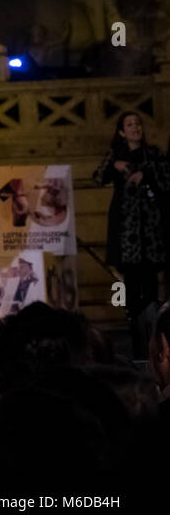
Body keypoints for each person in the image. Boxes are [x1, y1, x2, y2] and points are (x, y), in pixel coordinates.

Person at [94, 112, 168, 357]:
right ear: (122, 132)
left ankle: (153, 340)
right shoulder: (116, 156)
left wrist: (145, 173)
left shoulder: (154, 155)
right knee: (130, 288)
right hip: (125, 235)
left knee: (150, 287)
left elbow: (166, 178)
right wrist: (114, 165)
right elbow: (97, 177)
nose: (135, 128)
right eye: (129, 125)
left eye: (138, 123)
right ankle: (137, 342)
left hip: (149, 234)